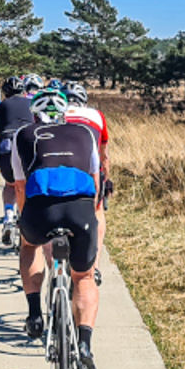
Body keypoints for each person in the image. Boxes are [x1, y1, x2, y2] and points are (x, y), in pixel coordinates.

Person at [14, 89, 103, 369]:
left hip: (41, 209)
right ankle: (86, 349)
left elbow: (19, 186)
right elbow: (96, 182)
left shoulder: (24, 134)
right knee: (84, 277)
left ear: (34, 114)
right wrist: (90, 215)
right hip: (80, 210)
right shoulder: (86, 133)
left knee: (30, 247)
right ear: (66, 112)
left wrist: (27, 221)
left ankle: (34, 313)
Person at [60, 80, 113, 261]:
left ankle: (54, 265)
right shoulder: (96, 115)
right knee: (97, 212)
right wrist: (106, 179)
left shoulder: (55, 114)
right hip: (88, 172)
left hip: (59, 170)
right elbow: (103, 155)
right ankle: (95, 265)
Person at [0, 74, 40, 246]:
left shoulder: (1, 106)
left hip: (7, 146)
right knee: (26, 185)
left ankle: (8, 216)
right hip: (26, 146)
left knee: (10, 185)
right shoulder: (32, 104)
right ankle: (27, 220)